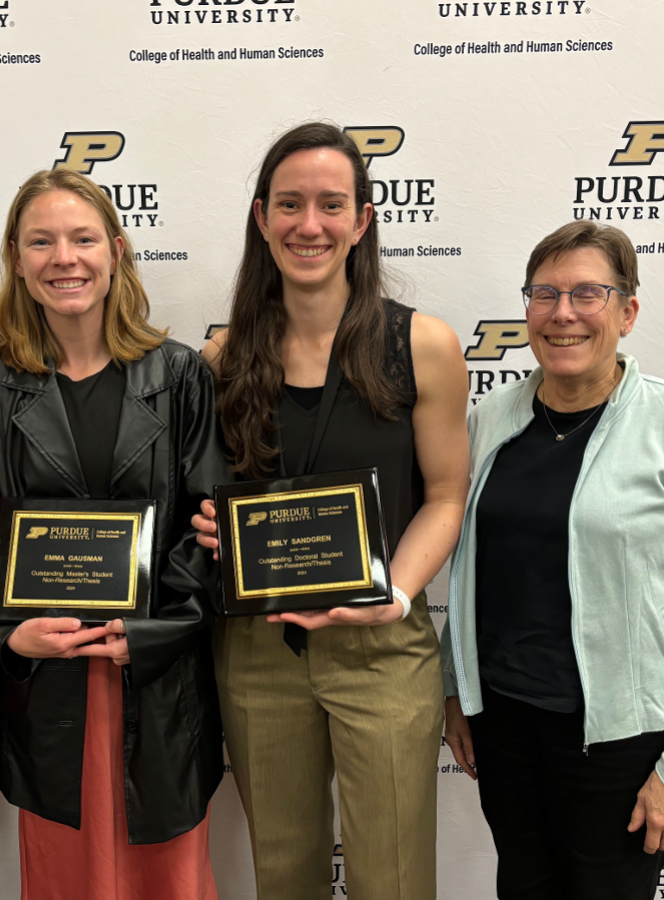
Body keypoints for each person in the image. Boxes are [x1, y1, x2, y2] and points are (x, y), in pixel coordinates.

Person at [193, 122, 470, 900]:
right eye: (289, 204)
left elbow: (447, 497)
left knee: (394, 876)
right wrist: (212, 527)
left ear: (362, 220)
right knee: (284, 874)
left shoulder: (423, 345)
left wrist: (397, 595)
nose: (307, 225)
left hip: (382, 649)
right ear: (261, 219)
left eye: (329, 205)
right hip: (258, 650)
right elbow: (207, 502)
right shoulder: (220, 358)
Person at [0, 168, 227, 900]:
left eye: (81, 238)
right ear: (17, 258)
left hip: (156, 679)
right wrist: (11, 635)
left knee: (166, 878)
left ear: (117, 250)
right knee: (68, 877)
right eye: (41, 241)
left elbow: (205, 530)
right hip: (52, 676)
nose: (63, 258)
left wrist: (150, 632)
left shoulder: (179, 377)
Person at [442, 220, 664, 899]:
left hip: (624, 739)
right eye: (545, 294)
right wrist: (456, 686)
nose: (563, 313)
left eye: (587, 293)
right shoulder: (489, 420)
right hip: (505, 724)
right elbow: (467, 567)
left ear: (627, 312)